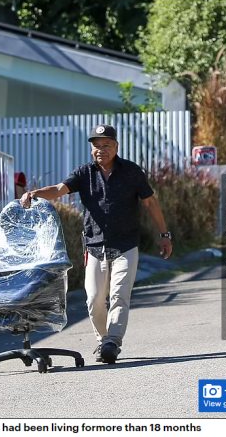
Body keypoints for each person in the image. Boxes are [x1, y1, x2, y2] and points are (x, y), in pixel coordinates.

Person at [20, 124, 172, 364]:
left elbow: (150, 203)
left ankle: (113, 341)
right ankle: (103, 341)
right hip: (94, 246)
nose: (101, 150)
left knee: (120, 295)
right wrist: (35, 193)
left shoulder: (131, 172)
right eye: (96, 146)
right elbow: (59, 190)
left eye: (106, 145)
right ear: (91, 149)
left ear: (116, 147)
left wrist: (165, 235)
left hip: (126, 245)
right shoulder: (84, 173)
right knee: (94, 300)